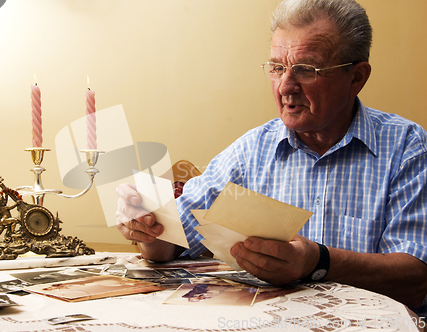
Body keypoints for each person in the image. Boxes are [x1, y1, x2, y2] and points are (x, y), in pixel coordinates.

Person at [115, 0, 427, 315]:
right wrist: (147, 226)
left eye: (306, 69)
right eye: (277, 67)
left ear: (357, 77)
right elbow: (171, 243)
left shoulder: (406, 148)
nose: (285, 86)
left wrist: (317, 261)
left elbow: (416, 279)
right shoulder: (251, 151)